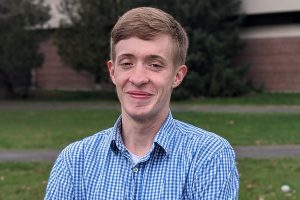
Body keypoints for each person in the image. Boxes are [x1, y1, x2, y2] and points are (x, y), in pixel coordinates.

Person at [44, 7, 239, 199]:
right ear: (113, 72)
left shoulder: (209, 155)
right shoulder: (75, 160)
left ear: (177, 76)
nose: (138, 78)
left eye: (155, 65)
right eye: (127, 63)